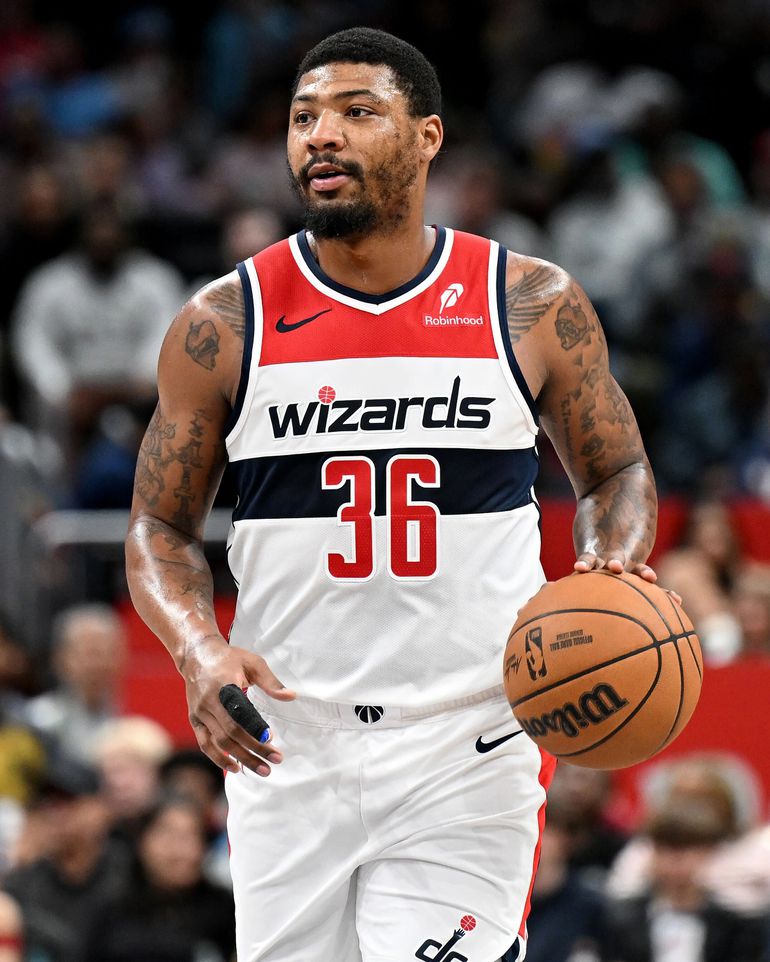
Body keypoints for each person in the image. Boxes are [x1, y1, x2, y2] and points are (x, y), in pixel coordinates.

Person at [125, 27, 660, 962]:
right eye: (303, 118)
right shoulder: (226, 321)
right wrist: (199, 650)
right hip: (288, 746)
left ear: (428, 136)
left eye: (357, 112)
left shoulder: (527, 301)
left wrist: (606, 566)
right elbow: (158, 528)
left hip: (469, 741)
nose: (320, 135)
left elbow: (617, 471)